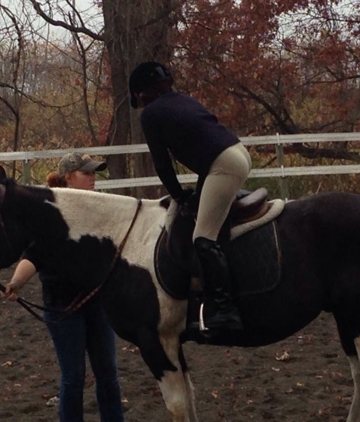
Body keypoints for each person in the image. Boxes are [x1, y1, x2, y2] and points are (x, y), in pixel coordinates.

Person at [128, 61, 252, 333]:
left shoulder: (151, 114)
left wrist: (177, 195)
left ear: (141, 93)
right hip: (236, 152)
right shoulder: (183, 100)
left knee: (203, 237)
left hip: (222, 164)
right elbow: (206, 142)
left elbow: (162, 165)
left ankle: (224, 309)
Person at [2, 152, 125, 422]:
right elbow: (34, 254)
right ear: (69, 178)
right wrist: (16, 283)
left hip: (97, 301)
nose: (94, 179)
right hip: (62, 306)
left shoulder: (99, 209)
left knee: (108, 372)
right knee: (74, 377)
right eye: (87, 174)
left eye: (94, 173)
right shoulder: (51, 212)